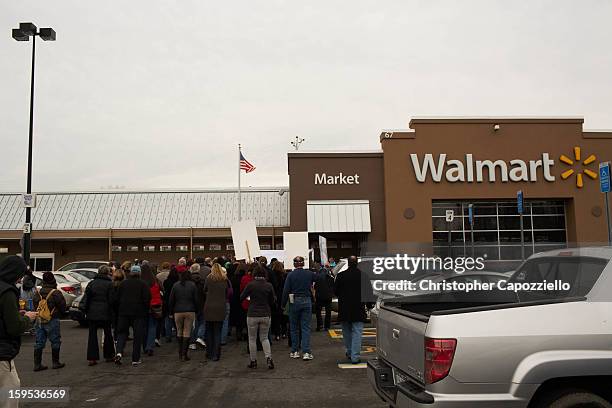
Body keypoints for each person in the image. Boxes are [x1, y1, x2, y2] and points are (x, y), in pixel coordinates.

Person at [0, 256, 37, 408]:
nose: (21, 278)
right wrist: (28, 318)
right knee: (10, 393)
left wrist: (16, 314)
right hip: (2, 353)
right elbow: (14, 327)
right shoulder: (7, 292)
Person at [114, 265, 151, 367]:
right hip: (138, 314)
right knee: (137, 336)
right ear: (139, 273)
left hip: (123, 313)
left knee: (121, 333)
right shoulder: (143, 284)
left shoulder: (123, 284)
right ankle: (135, 359)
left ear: (130, 273)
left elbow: (116, 298)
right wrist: (145, 310)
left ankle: (119, 352)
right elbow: (147, 299)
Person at [240, 264, 276, 369]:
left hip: (252, 314)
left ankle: (253, 360)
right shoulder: (269, 285)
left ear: (254, 274)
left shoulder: (251, 285)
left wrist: (250, 299)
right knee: (264, 338)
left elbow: (242, 297)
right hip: (265, 314)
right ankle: (268, 358)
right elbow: (273, 300)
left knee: (252, 338)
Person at [334, 256, 368, 364]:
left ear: (348, 263)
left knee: (347, 332)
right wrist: (369, 305)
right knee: (357, 333)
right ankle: (355, 356)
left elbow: (335, 291)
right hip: (358, 308)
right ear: (357, 263)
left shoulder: (341, 275)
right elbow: (369, 293)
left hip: (344, 308)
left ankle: (349, 352)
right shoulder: (364, 276)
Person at [282, 256, 315, 361]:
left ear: (294, 264)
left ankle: (295, 351)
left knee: (294, 328)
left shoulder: (290, 275)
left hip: (294, 301)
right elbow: (320, 278)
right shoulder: (309, 274)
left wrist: (283, 304)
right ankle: (306, 352)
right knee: (305, 327)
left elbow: (286, 290)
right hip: (306, 300)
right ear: (303, 264)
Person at [32, 272, 67, 371]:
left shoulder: (38, 293)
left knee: (39, 342)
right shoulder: (55, 292)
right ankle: (55, 362)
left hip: (39, 319)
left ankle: (37, 364)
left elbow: (35, 305)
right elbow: (63, 306)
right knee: (55, 340)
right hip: (52, 319)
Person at [83, 265, 115, 366]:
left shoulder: (91, 283)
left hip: (92, 312)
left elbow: (86, 299)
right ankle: (109, 355)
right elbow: (112, 300)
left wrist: (86, 310)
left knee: (92, 335)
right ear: (107, 273)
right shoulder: (110, 284)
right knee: (108, 334)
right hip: (106, 312)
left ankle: (92, 358)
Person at [168, 269, 198, 361]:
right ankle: (185, 354)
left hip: (177, 311)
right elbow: (196, 299)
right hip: (190, 310)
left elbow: (171, 299)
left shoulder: (176, 285)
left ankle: (180, 353)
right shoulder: (193, 285)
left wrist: (170, 312)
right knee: (187, 332)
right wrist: (197, 310)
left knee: (179, 331)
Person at [203, 262, 231, 361]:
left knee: (209, 331)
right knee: (217, 331)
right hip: (220, 307)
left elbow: (204, 290)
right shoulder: (224, 279)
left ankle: (209, 353)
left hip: (209, 307)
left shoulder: (208, 278)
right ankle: (216, 354)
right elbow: (228, 292)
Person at [141, 263, 162, 356]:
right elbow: (162, 291)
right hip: (155, 306)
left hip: (143, 306)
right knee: (152, 326)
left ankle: (145, 346)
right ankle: (150, 346)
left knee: (143, 327)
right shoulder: (155, 281)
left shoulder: (140, 281)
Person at [189, 263, 206, 350]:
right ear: (199, 270)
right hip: (202, 304)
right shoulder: (202, 281)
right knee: (202, 322)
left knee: (193, 324)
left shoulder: (187, 281)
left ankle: (192, 342)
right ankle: (200, 336)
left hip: (191, 305)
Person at [314, 262, 335, 331]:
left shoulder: (317, 276)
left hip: (319, 296)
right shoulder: (331, 277)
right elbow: (333, 286)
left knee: (318, 311)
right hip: (328, 296)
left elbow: (315, 286)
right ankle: (327, 326)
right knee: (328, 311)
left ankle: (320, 325)